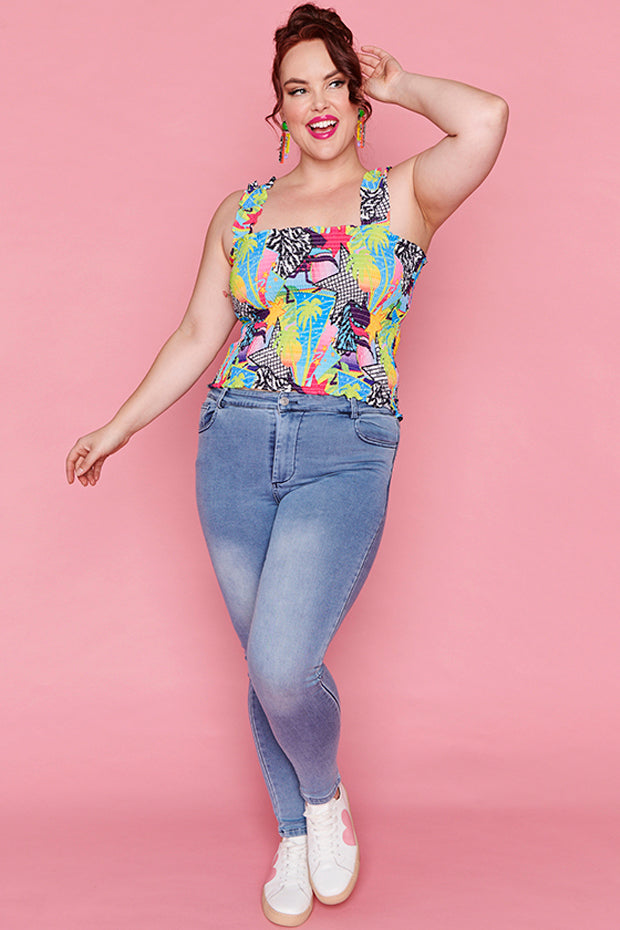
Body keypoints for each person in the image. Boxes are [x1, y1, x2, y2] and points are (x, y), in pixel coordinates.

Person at [66, 3, 508, 925]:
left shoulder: (404, 195)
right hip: (232, 442)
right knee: (258, 661)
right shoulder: (242, 213)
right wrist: (119, 426)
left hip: (346, 447)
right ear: (277, 109)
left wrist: (401, 82)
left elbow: (487, 118)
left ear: (357, 96)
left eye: (333, 84)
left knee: (282, 661)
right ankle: (298, 831)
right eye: (297, 89)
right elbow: (199, 332)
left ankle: (322, 797)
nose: (318, 104)